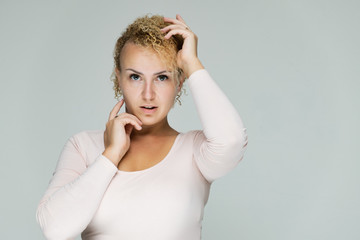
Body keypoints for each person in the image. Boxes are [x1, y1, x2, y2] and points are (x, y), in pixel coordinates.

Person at [36, 14, 248, 240]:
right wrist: (110, 155)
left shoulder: (194, 150)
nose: (148, 94)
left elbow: (232, 141)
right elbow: (55, 229)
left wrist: (192, 64)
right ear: (119, 79)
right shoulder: (83, 146)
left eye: (162, 77)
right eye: (135, 77)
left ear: (179, 83)